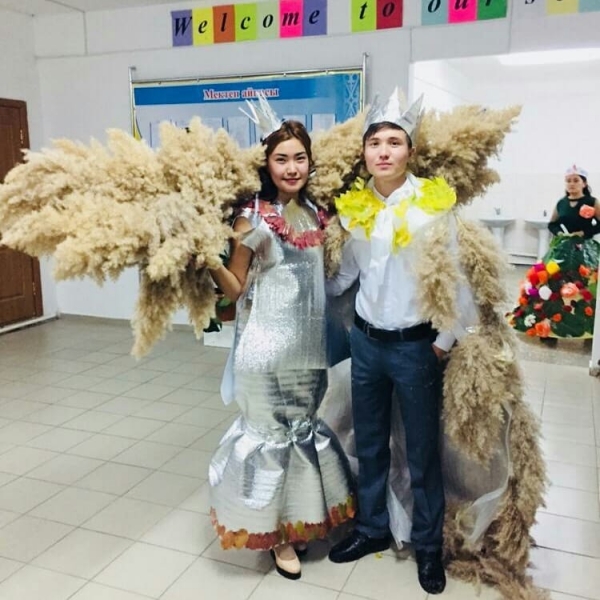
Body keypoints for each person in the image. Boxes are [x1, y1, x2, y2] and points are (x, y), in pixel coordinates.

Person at [325, 91, 477, 595]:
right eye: (375, 143)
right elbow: (346, 277)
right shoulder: (355, 210)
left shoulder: (433, 206)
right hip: (367, 344)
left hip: (417, 348)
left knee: (421, 450)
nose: (384, 151)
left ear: (410, 150)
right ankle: (371, 527)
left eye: (394, 142)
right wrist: (293, 269)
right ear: (364, 152)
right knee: (369, 443)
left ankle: (428, 546)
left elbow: (456, 279)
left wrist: (442, 342)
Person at [207, 99, 354, 581]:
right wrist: (206, 257)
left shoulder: (317, 213)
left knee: (302, 436)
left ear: (310, 162)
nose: (292, 168)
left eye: (299, 158)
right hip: (263, 356)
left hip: (308, 355)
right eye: (281, 158)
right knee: (271, 442)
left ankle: (296, 518)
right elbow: (235, 288)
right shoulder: (251, 218)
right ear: (266, 164)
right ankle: (276, 537)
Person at [508, 165, 600, 342]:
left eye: (576, 180)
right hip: (562, 247)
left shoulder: (593, 201)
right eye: (568, 181)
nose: (571, 184)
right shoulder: (561, 203)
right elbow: (552, 223)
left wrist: (585, 232)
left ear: (584, 183)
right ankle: (548, 326)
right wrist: (559, 233)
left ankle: (590, 328)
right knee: (551, 282)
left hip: (585, 249)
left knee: (586, 283)